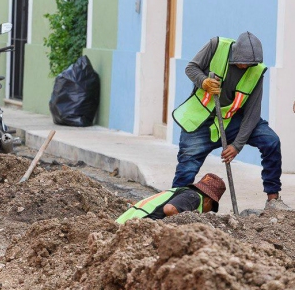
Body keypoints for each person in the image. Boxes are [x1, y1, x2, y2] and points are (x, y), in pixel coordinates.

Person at [171, 32, 290, 211]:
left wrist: (237, 145)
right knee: (186, 167)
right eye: (243, 63)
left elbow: (252, 113)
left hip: (233, 120)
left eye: (250, 64)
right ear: (235, 54)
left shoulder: (257, 70)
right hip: (201, 120)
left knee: (271, 141)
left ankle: (273, 199)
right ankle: (174, 207)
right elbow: (191, 68)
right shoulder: (215, 46)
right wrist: (203, 82)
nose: (245, 67)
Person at [117, 173, 226, 223]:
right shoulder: (194, 197)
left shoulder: (184, 192)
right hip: (138, 224)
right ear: (208, 201)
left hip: (128, 221)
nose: (206, 213)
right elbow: (170, 209)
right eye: (211, 208)